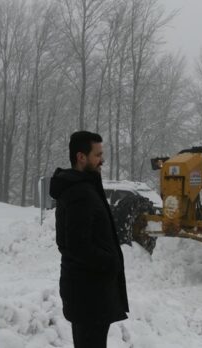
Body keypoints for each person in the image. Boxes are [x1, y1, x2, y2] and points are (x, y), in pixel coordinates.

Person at [49, 131, 129, 348]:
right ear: (81, 157)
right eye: (97, 155)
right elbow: (75, 246)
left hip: (90, 292)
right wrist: (110, 262)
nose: (102, 160)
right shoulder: (79, 193)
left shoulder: (85, 187)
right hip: (88, 295)